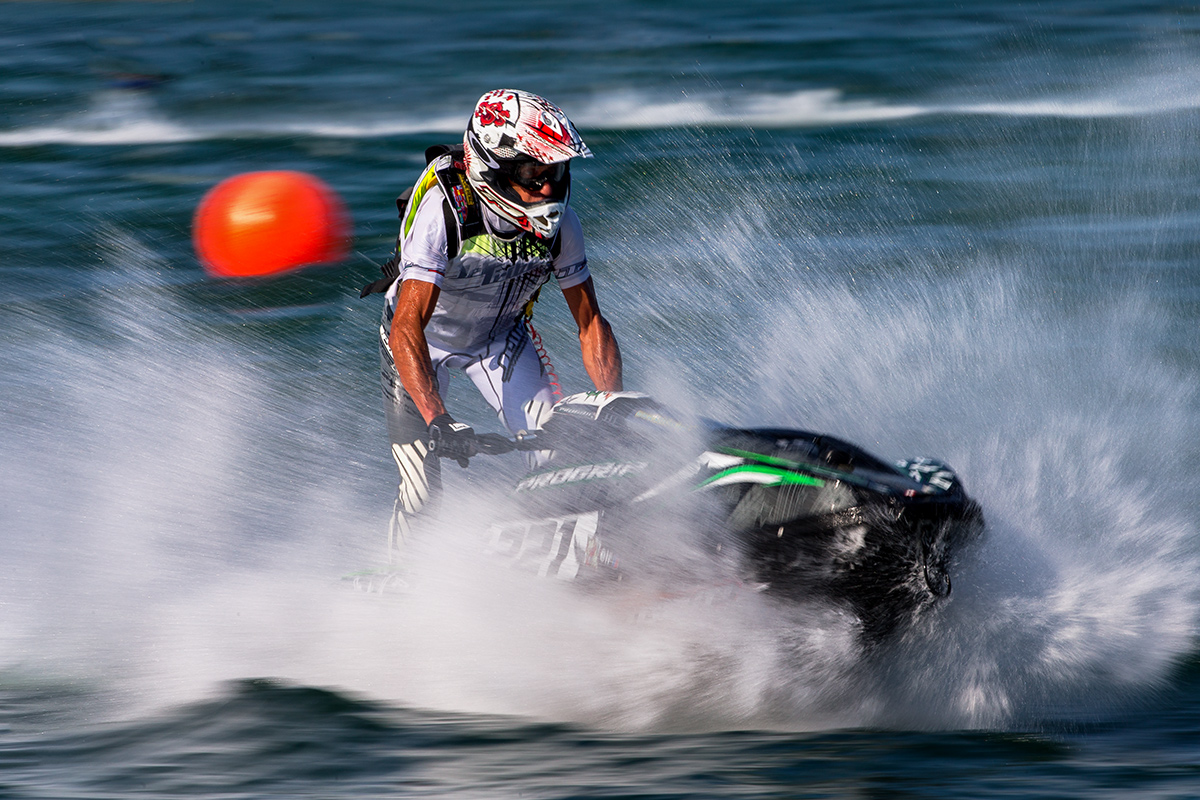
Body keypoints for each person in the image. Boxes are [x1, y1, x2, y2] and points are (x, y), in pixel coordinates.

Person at [366, 89, 624, 555]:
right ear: (494, 170)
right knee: (422, 487)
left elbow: (590, 324)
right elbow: (407, 327)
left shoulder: (564, 227)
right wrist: (439, 419)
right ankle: (401, 579)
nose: (548, 188)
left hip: (501, 338)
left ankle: (583, 559)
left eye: (556, 173)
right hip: (422, 341)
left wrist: (611, 403)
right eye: (533, 174)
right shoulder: (446, 212)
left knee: (569, 463)